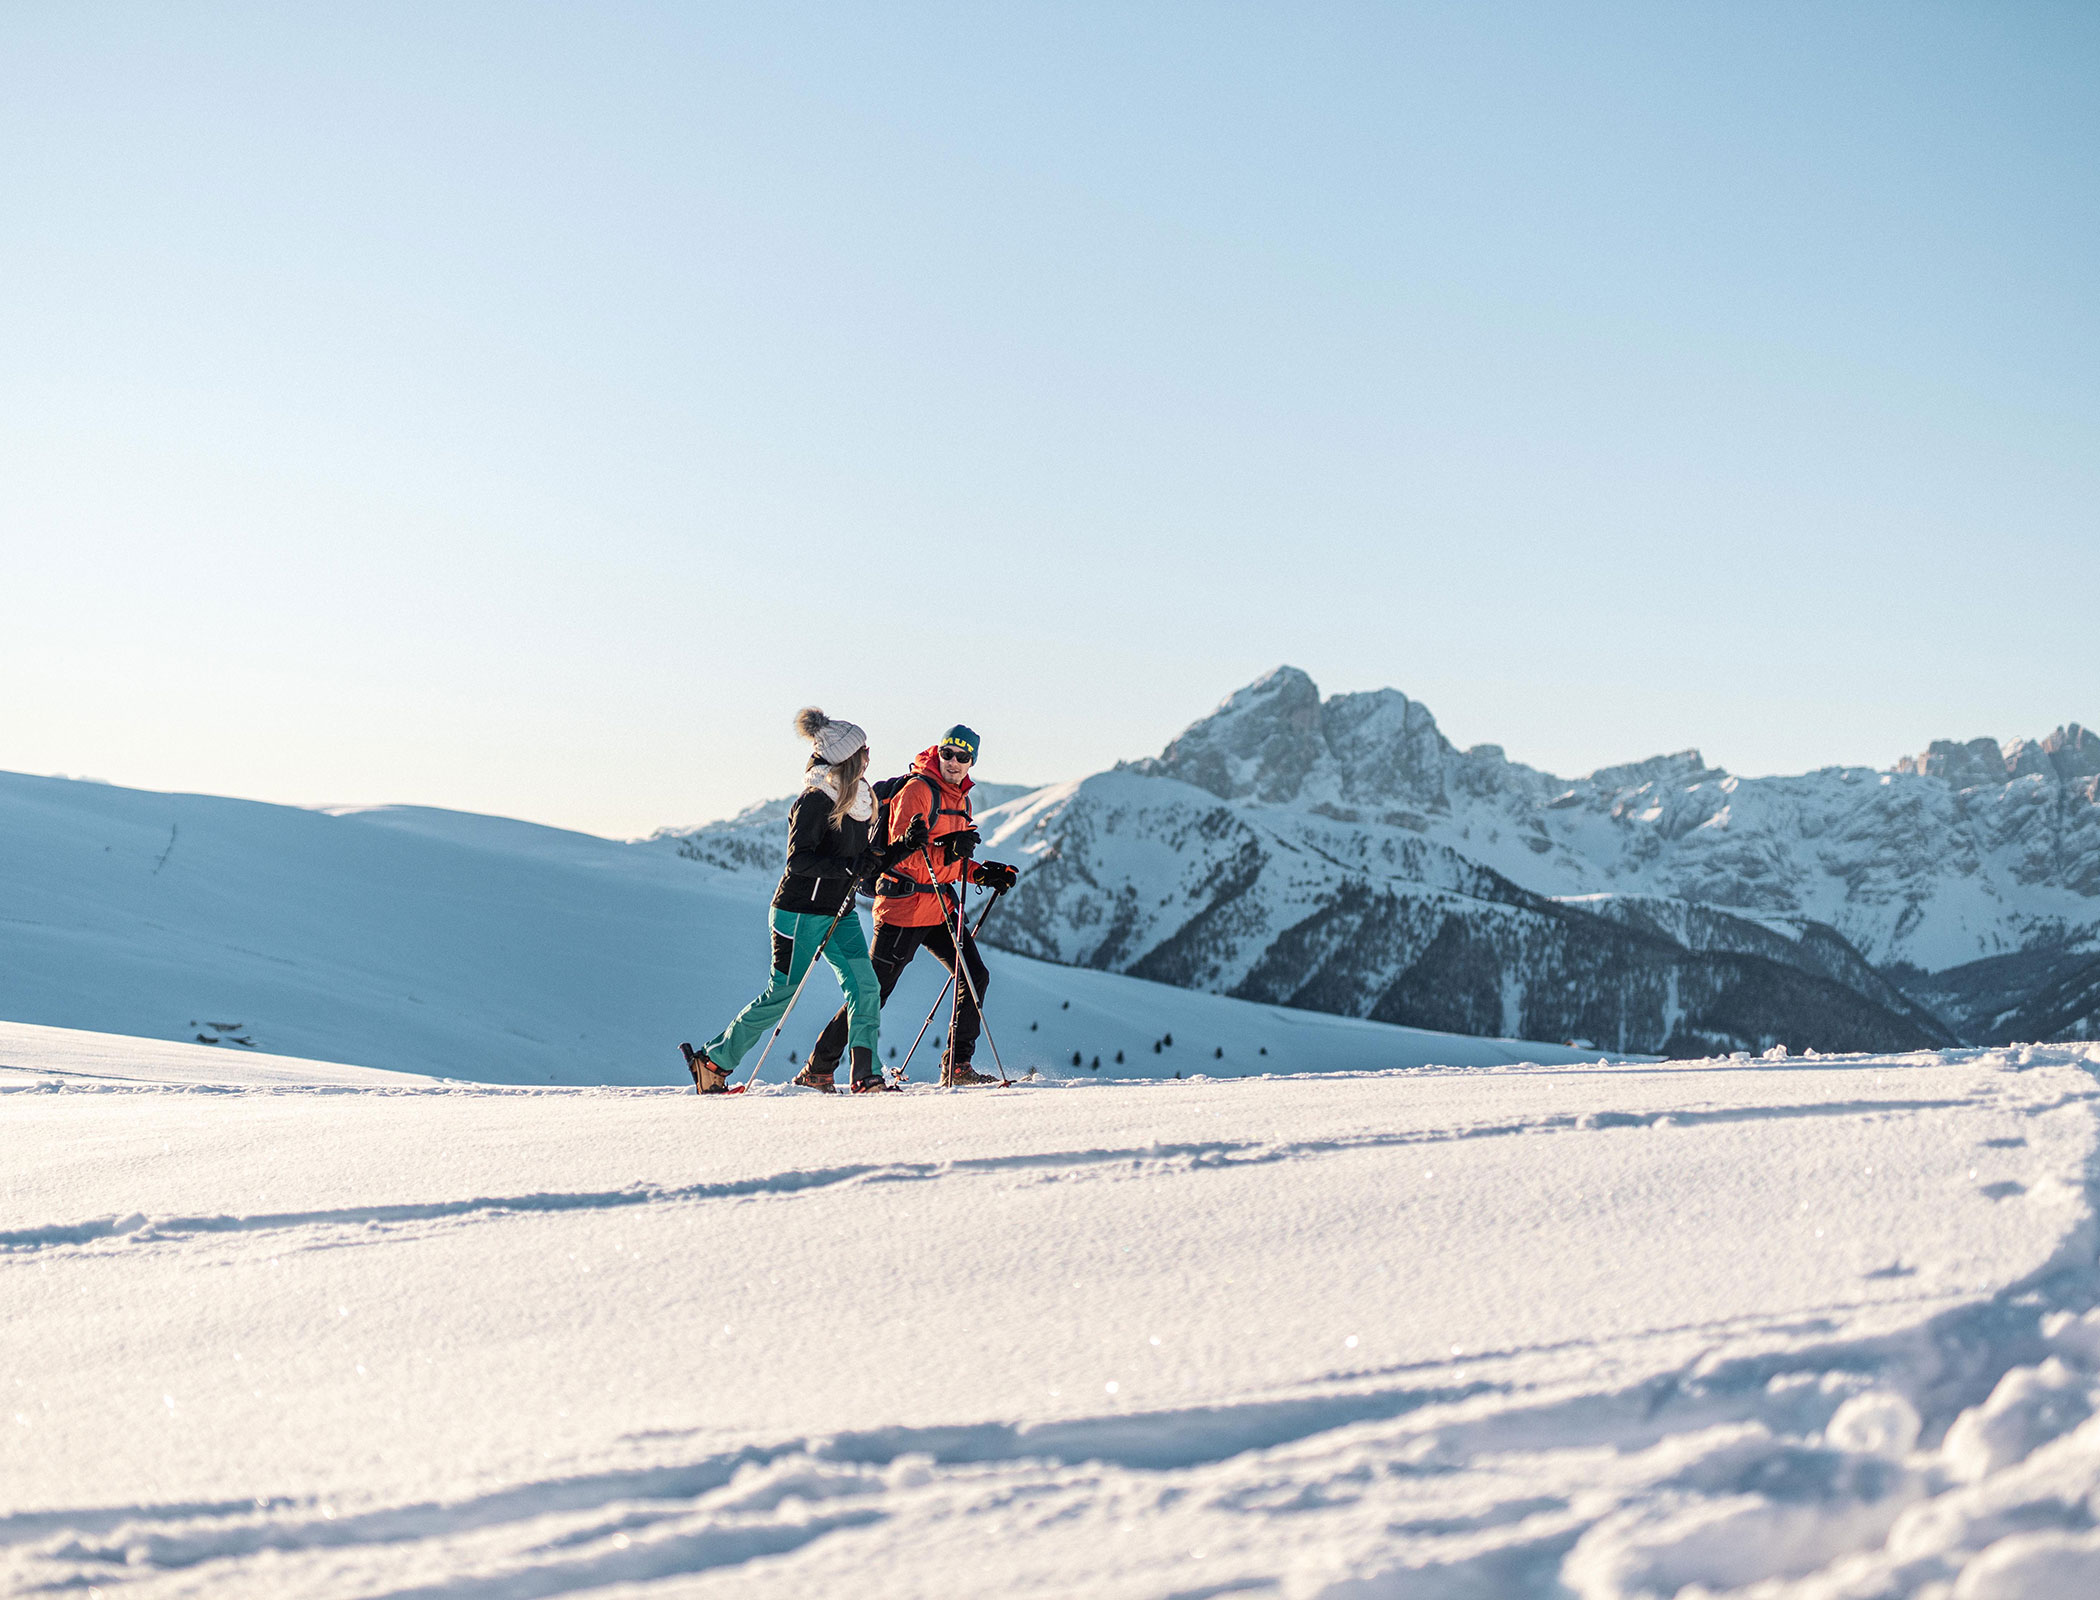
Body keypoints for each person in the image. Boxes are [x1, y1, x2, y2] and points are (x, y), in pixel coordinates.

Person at [681, 708, 926, 1096]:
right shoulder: (815, 800)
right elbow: (799, 861)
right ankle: (713, 1062)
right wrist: (850, 868)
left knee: (866, 988)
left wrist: (903, 848)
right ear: (846, 758)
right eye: (862, 749)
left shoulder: (859, 798)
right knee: (782, 995)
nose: (868, 755)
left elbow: (866, 863)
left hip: (838, 913)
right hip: (799, 913)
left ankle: (866, 1075)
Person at [805, 724, 1019, 1087]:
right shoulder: (918, 790)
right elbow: (901, 856)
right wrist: (949, 850)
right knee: (874, 995)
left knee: (974, 975)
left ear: (972, 763)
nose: (953, 761)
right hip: (902, 908)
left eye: (962, 757)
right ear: (940, 752)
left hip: (937, 907)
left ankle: (958, 1066)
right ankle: (819, 1066)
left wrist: (982, 873)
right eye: (948, 753)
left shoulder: (961, 799)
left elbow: (948, 864)